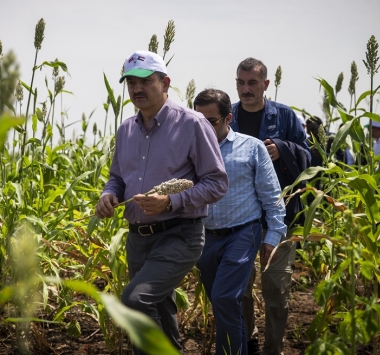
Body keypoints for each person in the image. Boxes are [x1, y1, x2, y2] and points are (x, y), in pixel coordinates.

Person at [96, 50, 228, 354]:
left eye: (145, 81)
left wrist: (171, 202)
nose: (137, 89)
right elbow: (117, 177)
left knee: (135, 301)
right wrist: (108, 195)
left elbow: (217, 183)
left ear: (165, 82)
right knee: (161, 311)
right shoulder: (126, 129)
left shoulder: (193, 124)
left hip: (180, 234)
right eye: (130, 82)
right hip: (138, 240)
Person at [194, 89, 286, 355]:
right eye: (198, 120)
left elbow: (272, 196)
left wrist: (273, 236)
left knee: (225, 298)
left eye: (210, 120)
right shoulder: (190, 150)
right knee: (222, 303)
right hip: (206, 237)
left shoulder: (252, 147)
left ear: (228, 118)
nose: (204, 127)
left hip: (243, 233)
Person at [230, 57, 310, 355]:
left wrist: (283, 147)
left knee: (276, 287)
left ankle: (273, 348)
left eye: (252, 83)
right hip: (238, 216)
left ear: (265, 84)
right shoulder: (230, 116)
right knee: (240, 286)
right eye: (240, 82)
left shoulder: (285, 116)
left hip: (279, 215)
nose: (245, 89)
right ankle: (248, 340)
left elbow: (310, 156)